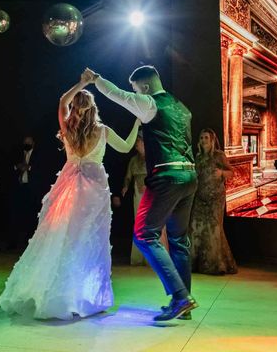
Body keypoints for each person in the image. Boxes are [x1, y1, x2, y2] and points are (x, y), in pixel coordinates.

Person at [0, 75, 140, 320]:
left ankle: (59, 292)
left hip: (69, 185)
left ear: (75, 109)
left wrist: (83, 82)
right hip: (94, 189)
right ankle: (85, 295)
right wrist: (138, 121)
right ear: (93, 109)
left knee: (63, 237)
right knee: (89, 239)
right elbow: (127, 147)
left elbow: (63, 100)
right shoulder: (102, 131)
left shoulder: (69, 129)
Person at [83, 65, 198, 321]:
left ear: (144, 87)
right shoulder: (182, 107)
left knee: (144, 235)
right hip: (190, 175)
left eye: (135, 88)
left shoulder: (149, 102)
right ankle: (184, 305)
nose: (134, 93)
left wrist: (96, 79)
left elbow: (117, 94)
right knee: (179, 242)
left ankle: (180, 297)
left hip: (166, 176)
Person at [190, 129, 237, 275]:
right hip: (199, 196)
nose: (203, 140)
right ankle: (195, 264)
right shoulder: (197, 157)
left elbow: (232, 172)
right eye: (201, 137)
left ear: (212, 140)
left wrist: (222, 173)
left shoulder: (219, 156)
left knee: (213, 229)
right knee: (196, 227)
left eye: (206, 137)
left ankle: (216, 265)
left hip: (215, 197)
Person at [119, 134, 169, 265]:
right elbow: (128, 176)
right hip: (138, 193)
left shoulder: (154, 158)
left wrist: (148, 185)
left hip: (152, 193)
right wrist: (125, 187)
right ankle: (140, 257)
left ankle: (156, 256)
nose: (136, 143)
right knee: (140, 223)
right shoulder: (134, 160)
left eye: (139, 141)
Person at [8, 135, 43, 249]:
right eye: (25, 142)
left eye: (29, 142)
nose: (26, 144)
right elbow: (9, 166)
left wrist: (29, 168)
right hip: (19, 187)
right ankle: (13, 242)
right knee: (16, 215)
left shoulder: (38, 155)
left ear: (33, 143)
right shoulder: (18, 153)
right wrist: (17, 167)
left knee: (31, 215)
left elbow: (42, 169)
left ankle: (30, 242)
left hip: (31, 189)